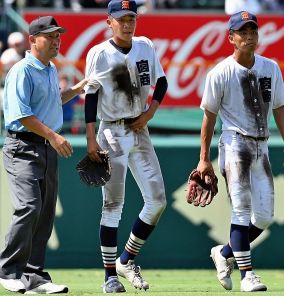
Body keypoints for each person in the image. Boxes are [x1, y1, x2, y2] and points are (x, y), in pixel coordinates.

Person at [196, 11, 284, 292]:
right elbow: (209, 117)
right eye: (243, 32)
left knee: (263, 217)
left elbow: (278, 106)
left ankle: (224, 253)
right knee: (241, 210)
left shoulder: (270, 67)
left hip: (262, 144)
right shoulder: (220, 72)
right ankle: (247, 275)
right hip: (234, 142)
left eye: (253, 31)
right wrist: (204, 159)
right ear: (231, 38)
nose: (250, 36)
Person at [84, 0, 168, 293]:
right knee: (112, 205)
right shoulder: (99, 53)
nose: (127, 23)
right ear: (109, 22)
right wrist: (91, 137)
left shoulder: (145, 46)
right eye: (121, 19)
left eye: (131, 17)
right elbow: (91, 95)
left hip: (139, 128)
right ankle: (109, 275)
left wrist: (150, 113)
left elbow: (162, 82)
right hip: (112, 133)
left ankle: (126, 258)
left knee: (158, 201)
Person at [0, 16, 87, 294]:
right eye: (49, 36)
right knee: (29, 207)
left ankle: (34, 276)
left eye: (58, 36)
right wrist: (53, 134)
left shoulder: (49, 69)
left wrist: (77, 89)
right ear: (33, 40)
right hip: (22, 147)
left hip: (46, 148)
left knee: (46, 213)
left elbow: (52, 101)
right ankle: (7, 270)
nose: (55, 41)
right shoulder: (21, 70)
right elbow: (21, 115)